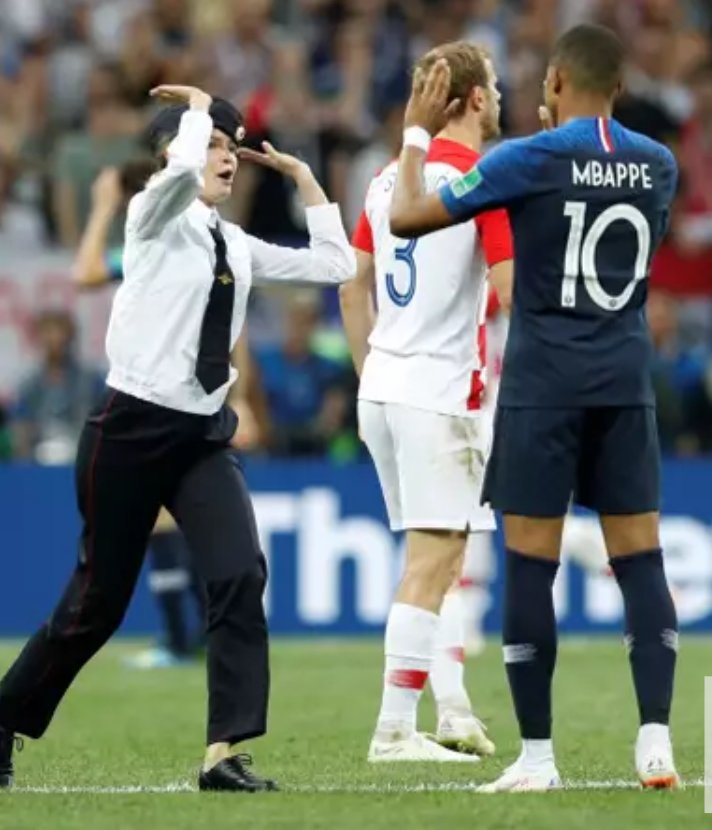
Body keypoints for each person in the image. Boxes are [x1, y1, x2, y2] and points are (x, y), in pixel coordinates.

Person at [0, 84, 355, 793]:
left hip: (202, 437)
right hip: (129, 430)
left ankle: (223, 753)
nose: (227, 158)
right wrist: (197, 110)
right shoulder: (151, 216)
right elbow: (176, 177)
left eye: (232, 148)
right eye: (214, 146)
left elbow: (336, 266)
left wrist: (306, 181)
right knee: (95, 606)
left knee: (239, 574)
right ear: (175, 154)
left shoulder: (237, 245)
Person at [389, 24, 680, 792]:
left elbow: (407, 216)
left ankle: (538, 760)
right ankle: (656, 743)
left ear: (553, 82)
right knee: (640, 562)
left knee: (528, 568)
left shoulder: (525, 159)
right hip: (624, 382)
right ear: (619, 87)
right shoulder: (659, 163)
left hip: (543, 385)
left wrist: (416, 133)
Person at [340, 42, 513, 763]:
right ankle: (393, 730)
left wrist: (372, 371)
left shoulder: (387, 179)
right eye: (493, 87)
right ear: (472, 99)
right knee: (434, 560)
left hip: (383, 387)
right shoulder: (481, 178)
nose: (499, 98)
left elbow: (352, 284)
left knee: (438, 557)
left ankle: (454, 708)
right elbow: (508, 291)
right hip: (439, 392)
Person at [74, 161, 208, 669]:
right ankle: (197, 634)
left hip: (167, 391)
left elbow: (85, 271)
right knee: (170, 518)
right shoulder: (174, 242)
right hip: (181, 387)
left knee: (166, 518)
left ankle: (183, 638)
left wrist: (103, 205)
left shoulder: (157, 244)